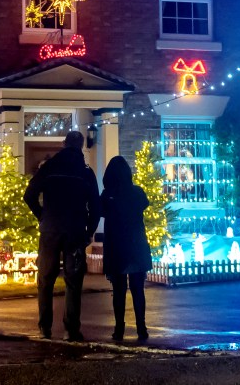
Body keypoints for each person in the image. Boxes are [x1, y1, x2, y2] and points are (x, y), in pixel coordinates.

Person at [23, 130, 101, 342]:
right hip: (75, 230)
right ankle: (71, 329)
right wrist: (89, 231)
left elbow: (29, 195)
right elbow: (95, 205)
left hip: (50, 230)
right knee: (73, 281)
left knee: (45, 279)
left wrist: (42, 216)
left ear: (64, 144)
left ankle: (45, 327)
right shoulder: (85, 172)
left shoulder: (49, 168)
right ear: (81, 146)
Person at [100, 155, 152, 342]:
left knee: (119, 290)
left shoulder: (107, 195)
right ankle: (141, 328)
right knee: (138, 289)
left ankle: (119, 328)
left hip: (116, 247)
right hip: (136, 245)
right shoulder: (137, 193)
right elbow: (144, 205)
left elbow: (101, 212)